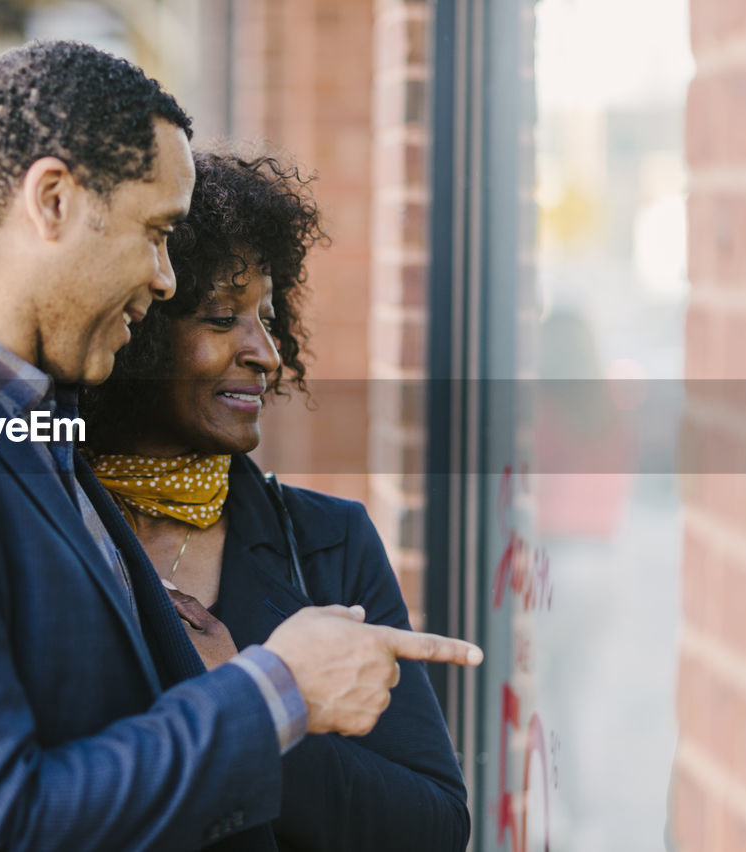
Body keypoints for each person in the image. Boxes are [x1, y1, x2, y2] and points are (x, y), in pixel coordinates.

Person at [0, 40, 482, 851]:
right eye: (156, 232)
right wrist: (279, 691)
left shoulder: (19, 419)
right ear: (52, 200)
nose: (166, 278)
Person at [81, 151, 469, 850]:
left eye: (267, 315)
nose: (266, 351)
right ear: (136, 320)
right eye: (223, 317)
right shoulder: (50, 521)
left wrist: (260, 696)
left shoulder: (328, 543)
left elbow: (433, 827)